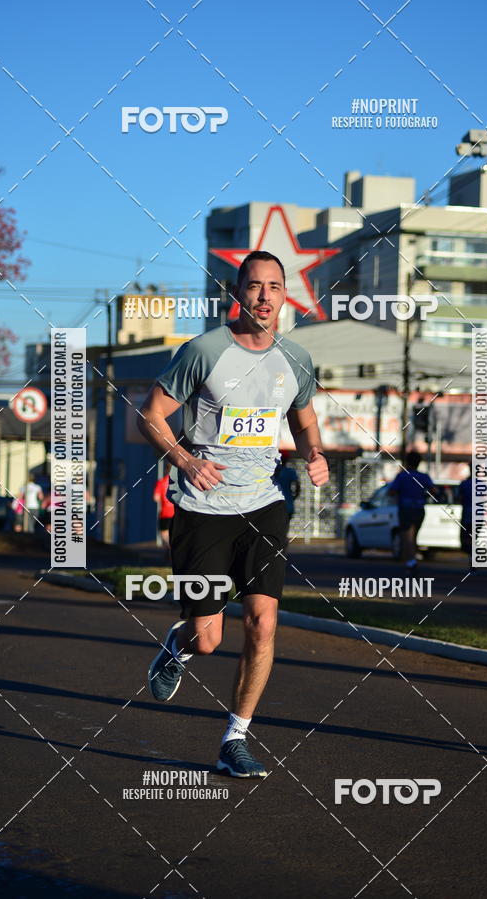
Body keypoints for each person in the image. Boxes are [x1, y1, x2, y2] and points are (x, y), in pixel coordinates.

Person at [137, 250, 329, 778]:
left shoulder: (297, 359)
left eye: (274, 286)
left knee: (263, 624)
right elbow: (150, 416)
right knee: (208, 637)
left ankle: (234, 739)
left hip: (264, 505)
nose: (264, 296)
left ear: (285, 295)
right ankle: (178, 645)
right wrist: (184, 458)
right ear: (236, 293)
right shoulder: (204, 351)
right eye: (254, 286)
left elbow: (305, 420)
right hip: (202, 508)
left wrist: (315, 453)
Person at [388, 450, 435, 570]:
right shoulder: (424, 476)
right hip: (419, 508)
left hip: (405, 508)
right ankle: (411, 557)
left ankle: (411, 561)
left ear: (407, 462)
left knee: (407, 536)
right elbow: (434, 491)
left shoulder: (402, 476)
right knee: (414, 535)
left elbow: (391, 492)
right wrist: (423, 494)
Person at [153, 463, 175, 554]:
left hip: (165, 513)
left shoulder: (161, 482)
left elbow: (155, 498)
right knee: (174, 533)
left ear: (166, 470)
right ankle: (171, 549)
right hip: (175, 512)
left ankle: (169, 547)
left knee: (164, 533)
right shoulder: (175, 482)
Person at [274, 450, 301, 521]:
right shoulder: (290, 472)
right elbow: (297, 487)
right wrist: (293, 497)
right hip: (287, 505)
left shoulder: (272, 471)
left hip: (273, 505)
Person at [458, 466, 473, 570]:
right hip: (479, 516)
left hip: (467, 514)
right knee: (473, 538)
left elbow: (459, 498)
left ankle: (472, 559)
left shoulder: (464, 484)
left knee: (467, 538)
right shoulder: (483, 484)